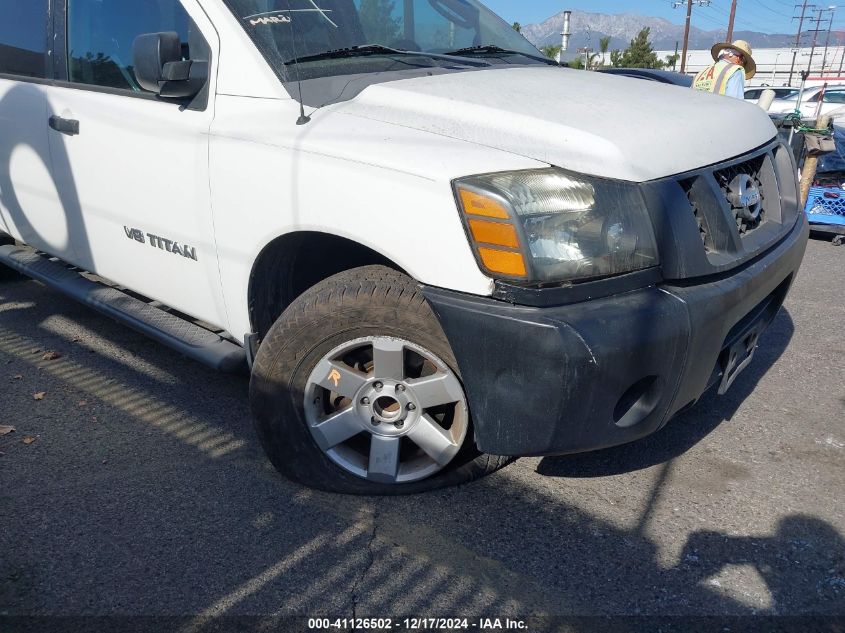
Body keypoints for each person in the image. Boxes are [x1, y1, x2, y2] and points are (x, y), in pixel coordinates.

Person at [691, 40, 756, 99]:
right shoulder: (735, 71)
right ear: (740, 58)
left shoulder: (700, 73)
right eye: (744, 63)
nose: (743, 66)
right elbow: (735, 103)